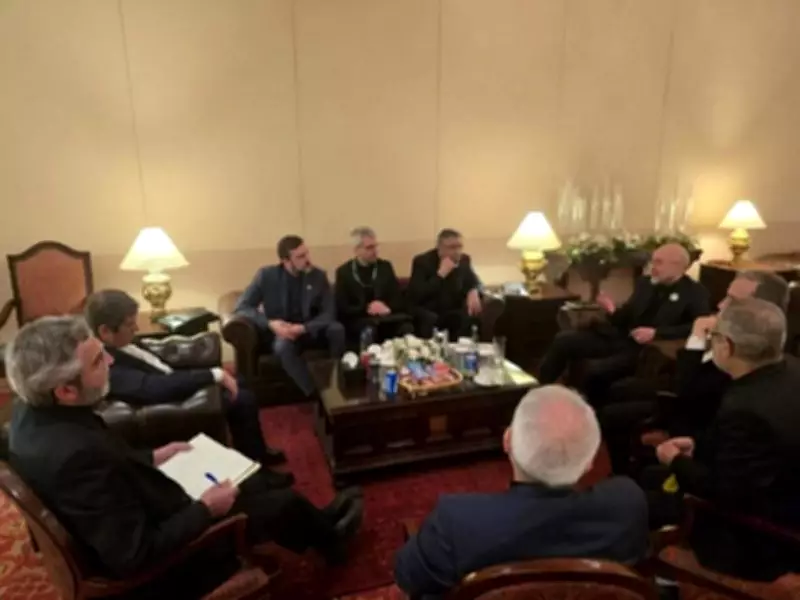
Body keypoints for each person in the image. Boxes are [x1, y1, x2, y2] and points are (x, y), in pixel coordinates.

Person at [6, 316, 364, 600]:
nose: (112, 361)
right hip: (168, 569)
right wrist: (206, 509)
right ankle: (332, 539)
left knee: (248, 476)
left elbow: (109, 465)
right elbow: (134, 556)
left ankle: (320, 520)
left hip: (146, 503)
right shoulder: (75, 457)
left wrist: (152, 456)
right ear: (65, 390)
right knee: (279, 503)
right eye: (99, 360)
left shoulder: (30, 414)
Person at [394, 385, 648, 600]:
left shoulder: (455, 522)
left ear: (507, 441)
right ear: (590, 462)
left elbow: (408, 576)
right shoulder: (628, 503)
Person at [83, 289, 293, 489]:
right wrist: (212, 375)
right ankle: (256, 472)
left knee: (242, 383)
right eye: (130, 325)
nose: (136, 328)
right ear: (105, 332)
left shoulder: (119, 344)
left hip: (171, 378)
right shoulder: (108, 366)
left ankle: (257, 451)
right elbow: (153, 388)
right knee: (241, 399)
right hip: (170, 396)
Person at [653, 298, 800, 580]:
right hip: (780, 488)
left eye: (714, 335)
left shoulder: (745, 406)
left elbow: (725, 493)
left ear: (726, 345)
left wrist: (675, 460)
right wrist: (698, 446)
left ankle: (664, 579)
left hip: (763, 534)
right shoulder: (791, 369)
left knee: (645, 500)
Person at [601, 270, 790, 474]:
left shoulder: (748, 353)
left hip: (696, 420)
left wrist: (697, 337)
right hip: (688, 402)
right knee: (621, 391)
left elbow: (688, 393)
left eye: (732, 301)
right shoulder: (735, 335)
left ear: (760, 311)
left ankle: (626, 477)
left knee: (614, 415)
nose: (720, 305)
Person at [538, 243, 710, 404]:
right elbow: (627, 314)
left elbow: (699, 326)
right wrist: (611, 309)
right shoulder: (645, 283)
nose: (652, 267)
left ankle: (587, 412)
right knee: (564, 340)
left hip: (646, 350)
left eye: (658, 262)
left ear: (677, 266)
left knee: (594, 370)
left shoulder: (695, 293)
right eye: (653, 261)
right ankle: (539, 391)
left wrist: (656, 333)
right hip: (620, 337)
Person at [235, 235, 345, 397]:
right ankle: (314, 393)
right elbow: (242, 307)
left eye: (306, 253)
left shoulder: (318, 276)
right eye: (300, 256)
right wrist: (270, 324)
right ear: (285, 261)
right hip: (284, 332)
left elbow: (329, 313)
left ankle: (338, 383)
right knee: (282, 347)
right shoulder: (266, 276)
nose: (307, 260)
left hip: (310, 329)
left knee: (337, 329)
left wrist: (303, 328)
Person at [334, 227, 412, 344]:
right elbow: (343, 307)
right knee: (369, 331)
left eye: (375, 246)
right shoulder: (344, 272)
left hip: (387, 318)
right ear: (357, 250)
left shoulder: (385, 267)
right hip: (361, 320)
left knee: (406, 327)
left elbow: (397, 298)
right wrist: (367, 309)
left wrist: (387, 307)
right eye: (369, 248)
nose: (375, 251)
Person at [407, 229, 483, 340]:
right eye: (452, 247)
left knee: (466, 317)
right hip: (428, 309)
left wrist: (473, 290)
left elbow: (475, 281)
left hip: (452, 310)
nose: (457, 251)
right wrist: (440, 274)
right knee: (430, 318)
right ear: (440, 248)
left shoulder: (464, 260)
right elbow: (417, 294)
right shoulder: (422, 261)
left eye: (459, 247)